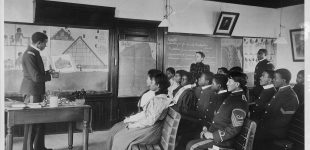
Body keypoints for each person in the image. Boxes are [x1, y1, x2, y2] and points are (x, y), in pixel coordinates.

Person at [104, 73, 171, 150]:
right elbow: (147, 115)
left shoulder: (159, 100)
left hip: (151, 131)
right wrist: (132, 122)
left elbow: (150, 121)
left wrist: (133, 125)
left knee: (120, 139)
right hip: (150, 127)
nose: (149, 84)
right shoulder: (159, 98)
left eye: (152, 82)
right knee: (119, 135)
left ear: (158, 85)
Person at [186, 71, 248, 150]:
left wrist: (213, 135)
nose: (227, 83)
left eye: (229, 81)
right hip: (215, 133)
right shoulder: (232, 96)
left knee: (192, 146)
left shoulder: (239, 101)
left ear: (237, 84)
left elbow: (234, 128)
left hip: (224, 142)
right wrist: (207, 130)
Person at [20, 32, 53, 150]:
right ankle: (27, 148)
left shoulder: (34, 53)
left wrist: (49, 73)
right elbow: (36, 77)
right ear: (39, 43)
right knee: (33, 122)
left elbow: (37, 74)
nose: (45, 46)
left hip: (36, 91)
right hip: (32, 92)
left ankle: (39, 147)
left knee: (40, 120)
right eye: (45, 43)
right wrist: (49, 77)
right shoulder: (30, 54)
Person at [253, 69, 299, 150]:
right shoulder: (281, 91)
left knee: (254, 138)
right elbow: (270, 108)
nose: (273, 80)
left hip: (277, 132)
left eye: (275, 78)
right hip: (269, 128)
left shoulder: (290, 96)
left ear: (283, 80)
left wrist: (262, 127)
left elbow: (283, 121)